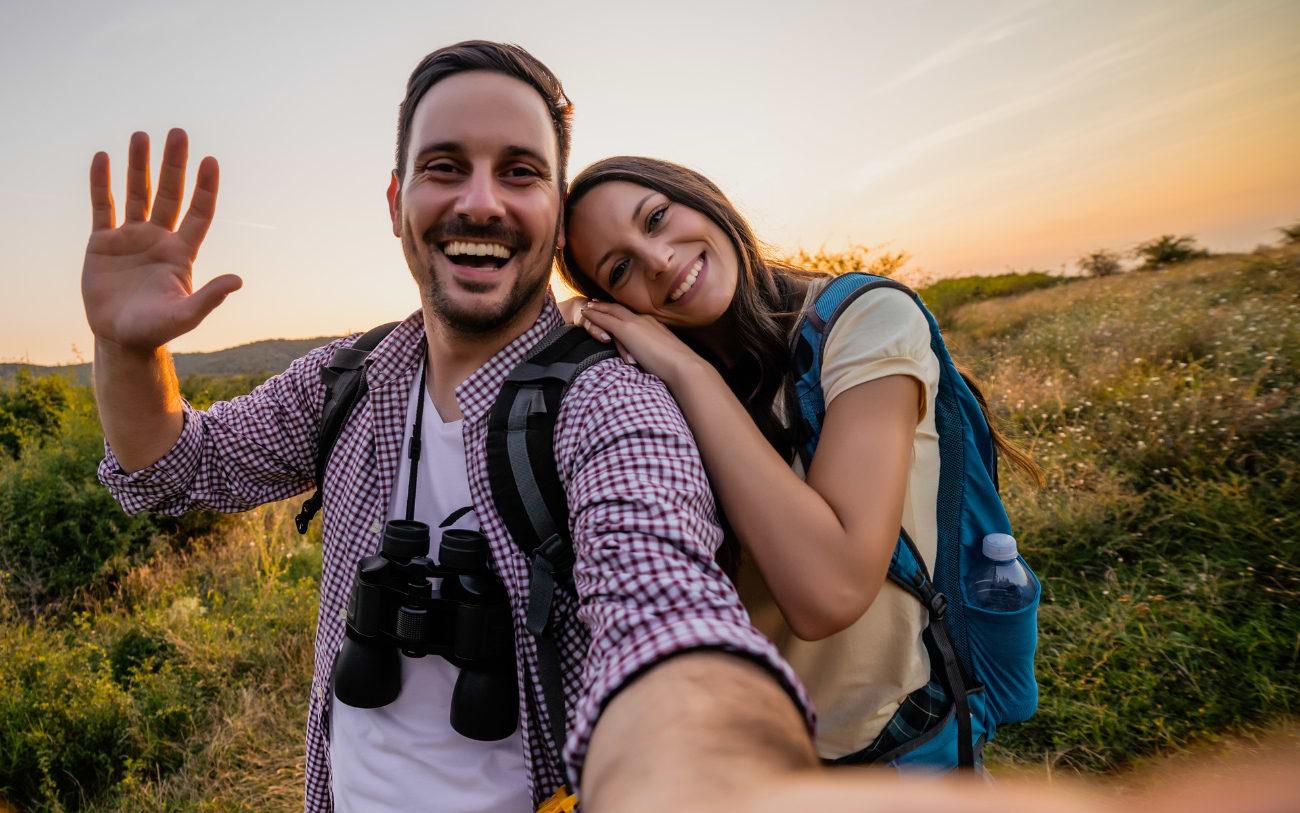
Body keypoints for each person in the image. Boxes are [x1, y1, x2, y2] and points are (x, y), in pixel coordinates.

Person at [83, 42, 818, 813]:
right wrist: (129, 350)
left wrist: (711, 759)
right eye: (444, 166)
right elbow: (174, 468)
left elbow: (666, 612)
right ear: (396, 199)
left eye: (520, 172)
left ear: (558, 216)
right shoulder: (350, 379)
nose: (481, 202)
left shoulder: (607, 402)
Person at [558, 156, 1043, 765]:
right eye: (620, 268)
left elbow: (829, 592)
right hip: (760, 759)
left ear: (703, 197)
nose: (656, 260)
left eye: (656, 218)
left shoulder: (863, 319)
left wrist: (688, 372)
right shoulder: (644, 382)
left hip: (897, 747)